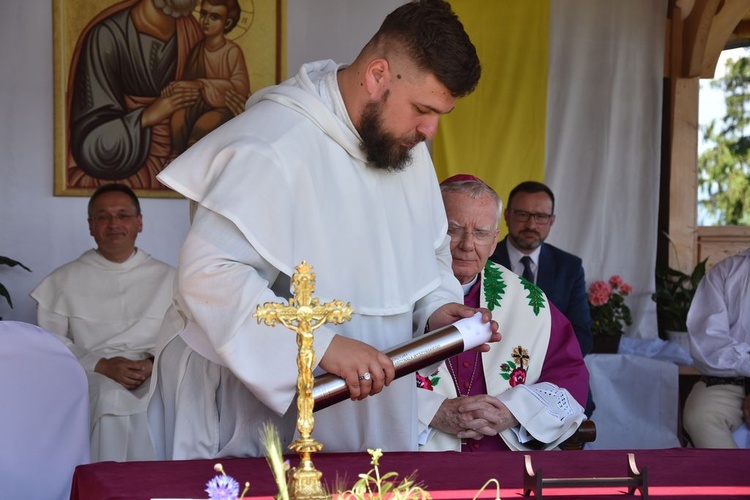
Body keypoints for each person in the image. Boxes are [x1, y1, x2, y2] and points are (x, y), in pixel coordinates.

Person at [146, 0, 497, 460]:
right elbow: (209, 276)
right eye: (422, 109)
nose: (429, 131)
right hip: (262, 402)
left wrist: (436, 306)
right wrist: (322, 345)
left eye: (439, 115)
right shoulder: (275, 143)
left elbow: (425, 249)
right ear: (376, 76)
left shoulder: (402, 146)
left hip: (373, 395)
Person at [416, 174, 588, 452]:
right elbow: (361, 381)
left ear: (495, 240)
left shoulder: (528, 301)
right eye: (454, 229)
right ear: (430, 229)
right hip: (417, 457)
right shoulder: (391, 295)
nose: (467, 245)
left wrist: (513, 412)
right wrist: (433, 411)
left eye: (481, 233)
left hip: (503, 456)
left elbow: (569, 377)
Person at [30, 184, 176, 462]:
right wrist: (101, 365)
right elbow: (49, 343)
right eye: (103, 217)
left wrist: (153, 364)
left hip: (156, 371)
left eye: (123, 215)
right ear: (91, 225)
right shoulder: (62, 281)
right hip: (90, 373)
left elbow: (187, 335)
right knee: (110, 398)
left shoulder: (171, 278)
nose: (114, 224)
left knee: (160, 399)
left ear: (139, 222)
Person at [67, 0, 204, 189]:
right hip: (123, 167)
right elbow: (90, 142)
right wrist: (147, 116)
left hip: (181, 172)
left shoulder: (193, 33)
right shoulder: (106, 36)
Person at [489, 180, 595, 416]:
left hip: (548, 371)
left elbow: (582, 334)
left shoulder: (569, 266)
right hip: (492, 371)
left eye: (540, 217)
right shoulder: (483, 259)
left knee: (578, 406)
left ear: (552, 220)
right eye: (522, 214)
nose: (531, 224)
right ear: (506, 216)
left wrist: (539, 366)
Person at [683, 248, 750, 448]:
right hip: (731, 380)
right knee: (700, 415)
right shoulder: (726, 272)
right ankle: (732, 478)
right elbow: (709, 343)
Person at [167, 0, 251, 156]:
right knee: (178, 118)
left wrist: (201, 84)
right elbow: (188, 83)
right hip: (198, 104)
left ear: (227, 23)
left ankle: (193, 161)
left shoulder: (231, 52)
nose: (206, 21)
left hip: (223, 108)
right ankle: (176, 159)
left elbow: (240, 87)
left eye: (214, 17)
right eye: (203, 14)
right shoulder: (197, 50)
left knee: (204, 125)